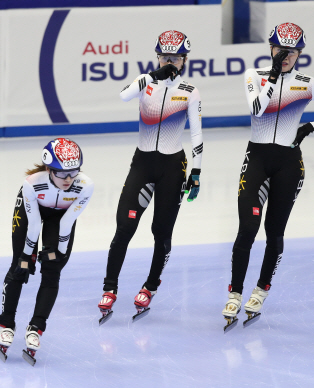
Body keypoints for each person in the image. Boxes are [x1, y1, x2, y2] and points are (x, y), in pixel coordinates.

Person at [222, 22, 314, 329]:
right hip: (258, 160)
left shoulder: (307, 83)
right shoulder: (255, 76)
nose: (285, 56)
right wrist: (274, 73)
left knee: (274, 232)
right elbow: (258, 108)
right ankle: (235, 292)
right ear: (271, 49)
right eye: (280, 51)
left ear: (300, 53)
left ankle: (261, 289)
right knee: (248, 227)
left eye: (291, 52)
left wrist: (307, 128)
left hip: (289, 164)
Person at [98, 30, 203, 323]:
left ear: (184, 60)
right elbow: (122, 96)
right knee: (124, 228)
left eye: (175, 58)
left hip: (173, 167)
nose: (170, 62)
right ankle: (109, 288)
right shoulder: (144, 82)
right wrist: (153, 76)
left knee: (161, 231)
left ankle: (151, 286)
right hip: (143, 164)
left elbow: (196, 133)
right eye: (164, 57)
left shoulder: (190, 91)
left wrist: (196, 170)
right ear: (157, 57)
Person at [0, 138, 94, 364]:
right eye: (62, 174)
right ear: (48, 169)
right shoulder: (32, 183)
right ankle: (6, 323)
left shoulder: (86, 185)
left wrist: (57, 254)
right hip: (32, 213)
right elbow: (33, 225)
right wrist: (27, 255)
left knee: (53, 270)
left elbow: (67, 222)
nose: (69, 179)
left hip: (60, 219)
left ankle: (36, 327)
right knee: (19, 267)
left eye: (73, 172)